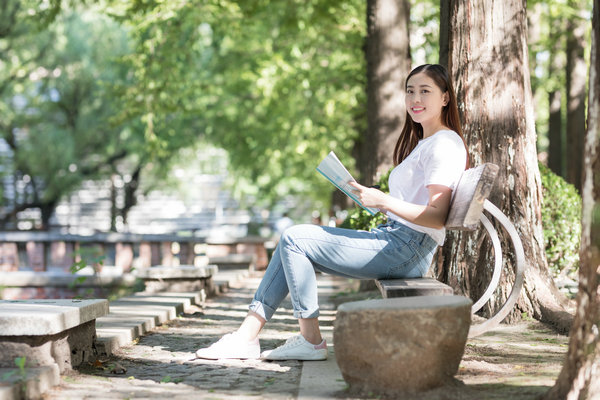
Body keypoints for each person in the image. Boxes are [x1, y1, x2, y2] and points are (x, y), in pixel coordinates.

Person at [195, 64, 469, 361]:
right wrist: (372, 199)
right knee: (292, 243)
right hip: (396, 241)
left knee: (295, 238)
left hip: (406, 248)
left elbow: (437, 215)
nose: (415, 98)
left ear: (445, 98)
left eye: (425, 91)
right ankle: (246, 336)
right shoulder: (426, 142)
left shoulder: (443, 144)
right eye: (410, 91)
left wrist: (384, 201)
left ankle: (308, 340)